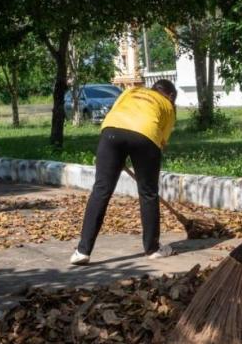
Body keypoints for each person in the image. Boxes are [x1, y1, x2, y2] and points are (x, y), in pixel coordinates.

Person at [71, 79, 178, 265]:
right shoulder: (167, 105)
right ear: (170, 96)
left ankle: (82, 251)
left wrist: (116, 155)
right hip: (145, 135)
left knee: (101, 190)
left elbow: (115, 114)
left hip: (111, 133)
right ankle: (152, 249)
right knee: (148, 193)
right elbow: (161, 142)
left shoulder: (130, 91)